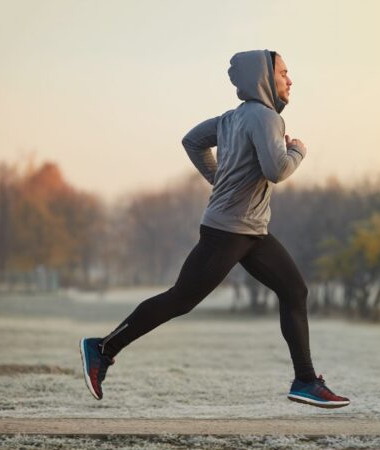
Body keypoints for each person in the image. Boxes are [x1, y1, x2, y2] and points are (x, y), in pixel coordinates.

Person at [79, 49, 350, 409]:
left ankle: (304, 380)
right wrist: (298, 151)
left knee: (294, 291)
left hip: (252, 231)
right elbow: (277, 170)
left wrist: (217, 177)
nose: (290, 79)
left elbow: (192, 140)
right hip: (229, 231)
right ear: (265, 78)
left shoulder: (232, 118)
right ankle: (102, 349)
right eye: (284, 72)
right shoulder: (267, 118)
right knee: (181, 299)